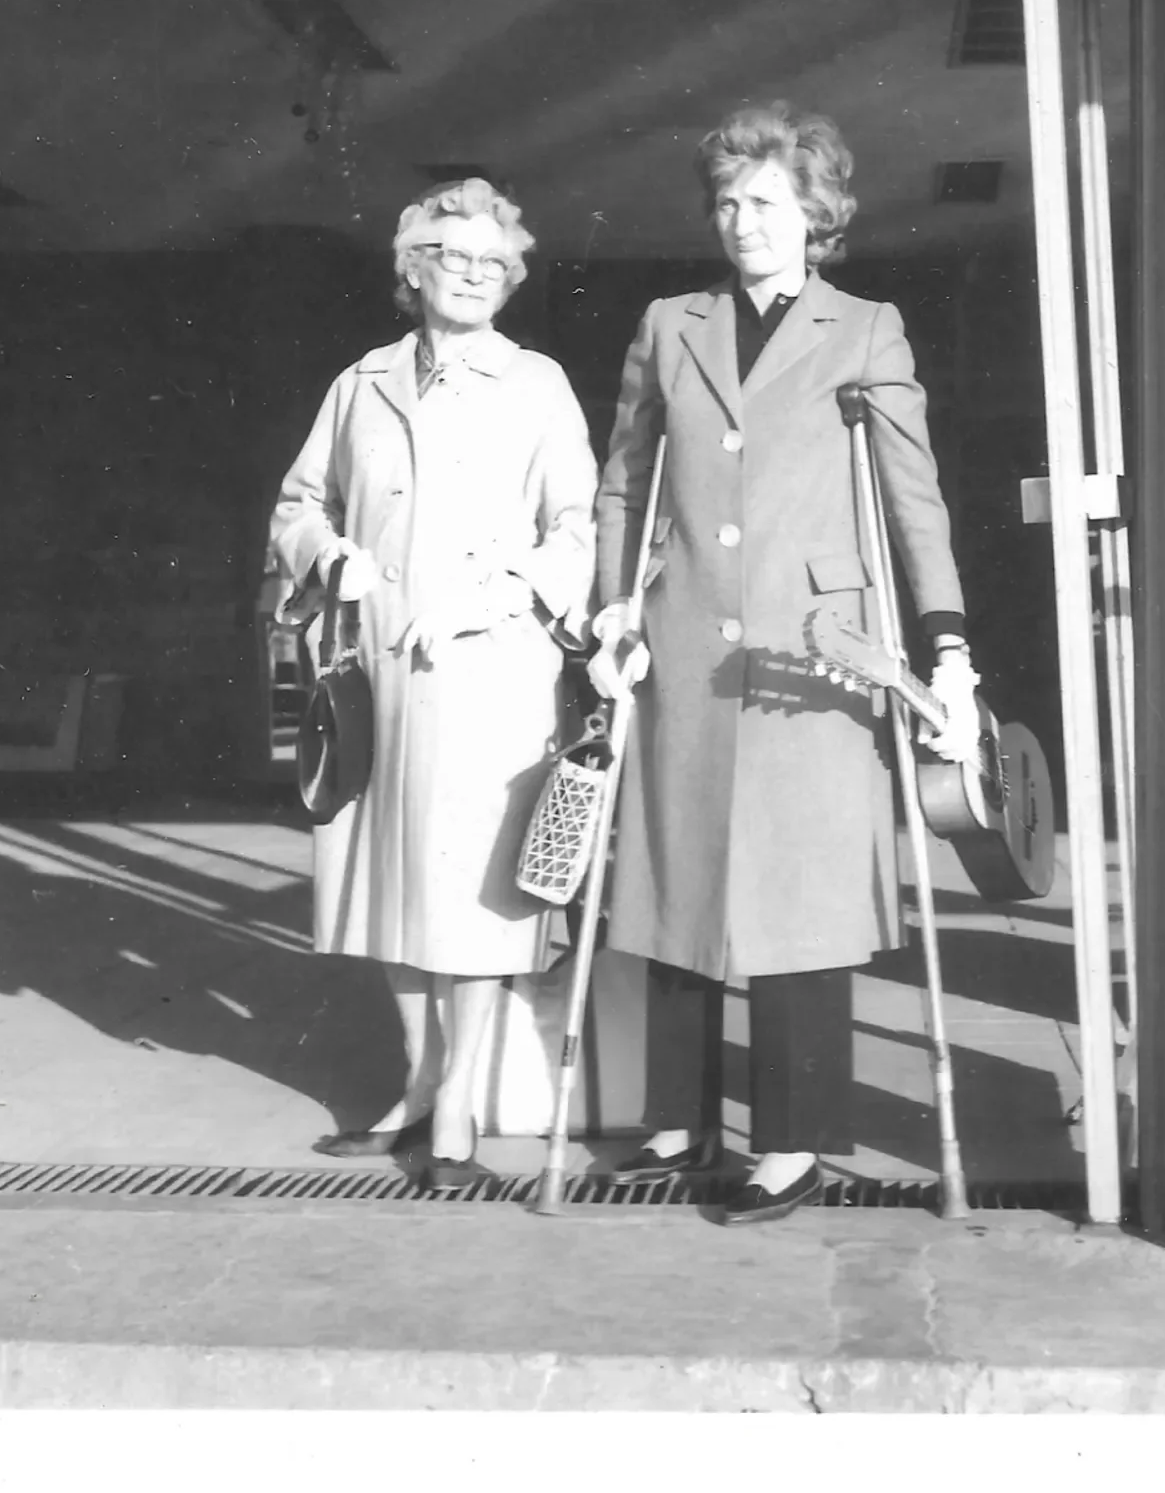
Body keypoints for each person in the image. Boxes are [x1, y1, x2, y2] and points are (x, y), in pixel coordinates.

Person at [588, 102, 979, 1224]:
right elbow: (627, 478)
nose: (740, 220)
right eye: (726, 201)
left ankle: (793, 1140)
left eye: (763, 201)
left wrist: (945, 644)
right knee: (676, 862)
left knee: (797, 889)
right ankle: (678, 1115)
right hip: (683, 631)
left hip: (817, 650)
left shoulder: (862, 328)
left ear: (814, 214)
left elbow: (910, 493)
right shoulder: (672, 323)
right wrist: (614, 607)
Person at [271, 178, 596, 1184]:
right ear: (413, 268)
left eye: (493, 262)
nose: (474, 274)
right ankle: (418, 1084)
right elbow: (298, 502)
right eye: (453, 256)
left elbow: (577, 528)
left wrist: (499, 595)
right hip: (382, 676)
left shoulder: (537, 383)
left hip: (492, 673)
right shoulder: (359, 381)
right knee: (392, 885)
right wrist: (330, 556)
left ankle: (455, 1112)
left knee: (478, 896)